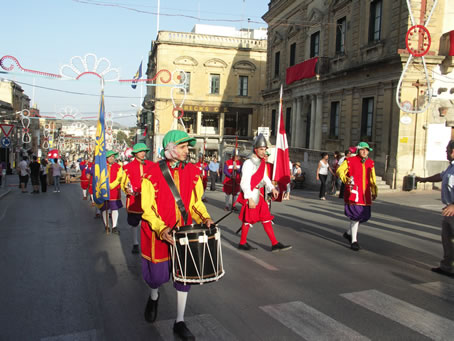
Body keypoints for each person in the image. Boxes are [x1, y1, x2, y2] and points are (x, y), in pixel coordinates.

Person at [140, 130, 214, 339]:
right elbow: (147, 208)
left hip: (183, 234)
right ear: (170, 148)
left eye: (187, 147)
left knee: (184, 277)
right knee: (156, 276)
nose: (186, 151)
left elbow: (196, 202)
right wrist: (161, 228)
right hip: (158, 233)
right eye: (182, 147)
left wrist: (205, 218)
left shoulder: (193, 172)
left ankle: (179, 321)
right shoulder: (151, 173)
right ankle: (154, 296)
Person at [236, 134, 292, 252]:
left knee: (266, 218)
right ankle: (242, 243)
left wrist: (272, 188)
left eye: (265, 149)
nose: (264, 151)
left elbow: (264, 177)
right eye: (261, 149)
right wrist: (249, 198)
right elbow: (244, 182)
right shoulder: (248, 163)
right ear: (255, 149)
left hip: (260, 194)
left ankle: (274, 243)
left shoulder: (262, 162)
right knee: (248, 219)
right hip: (252, 194)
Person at [416, 140, 454, 278]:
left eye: (447, 150)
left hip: (453, 208)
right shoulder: (451, 167)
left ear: (453, 151)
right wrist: (425, 179)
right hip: (449, 211)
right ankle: (447, 267)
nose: (446, 152)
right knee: (447, 240)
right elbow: (441, 176)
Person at [337, 142, 377, 251]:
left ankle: (349, 233)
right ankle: (354, 241)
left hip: (365, 193)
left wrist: (374, 190)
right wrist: (346, 179)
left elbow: (372, 178)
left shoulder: (370, 163)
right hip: (354, 191)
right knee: (355, 216)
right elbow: (340, 170)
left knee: (365, 216)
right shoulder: (350, 161)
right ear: (358, 150)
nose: (364, 152)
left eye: (366, 150)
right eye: (362, 149)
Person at [121, 143, 153, 254]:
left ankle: (148, 244)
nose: (143, 153)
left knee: (149, 223)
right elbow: (124, 183)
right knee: (134, 223)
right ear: (135, 153)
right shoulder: (127, 167)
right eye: (140, 151)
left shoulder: (151, 165)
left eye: (144, 151)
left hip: (148, 200)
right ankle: (135, 243)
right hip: (134, 200)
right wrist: (127, 189)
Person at [101, 151, 123, 234]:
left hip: (114, 191)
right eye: (110, 156)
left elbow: (119, 178)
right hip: (104, 190)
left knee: (115, 209)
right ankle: (107, 225)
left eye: (113, 156)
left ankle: (114, 226)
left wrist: (111, 185)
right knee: (104, 209)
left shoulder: (118, 167)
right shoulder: (102, 167)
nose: (111, 158)